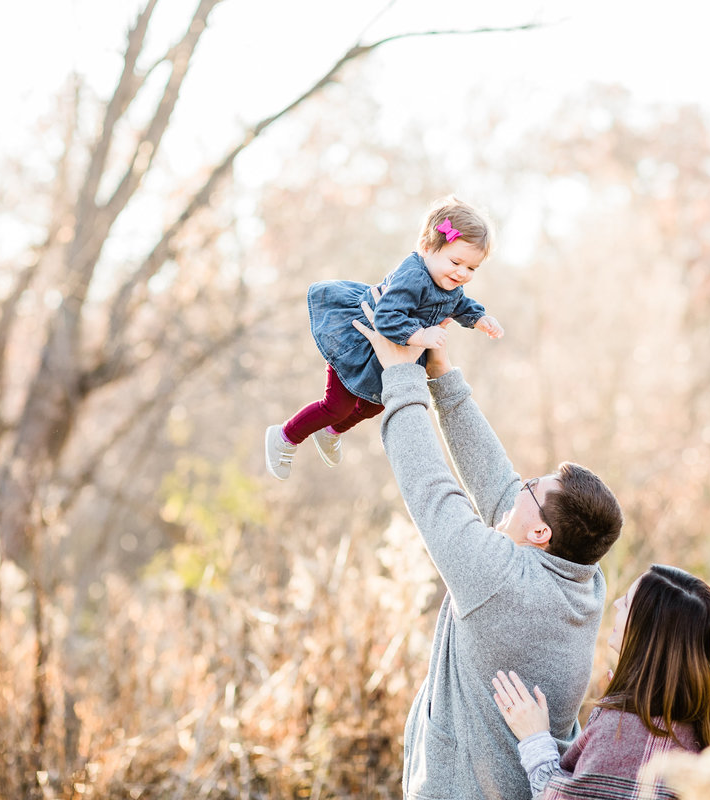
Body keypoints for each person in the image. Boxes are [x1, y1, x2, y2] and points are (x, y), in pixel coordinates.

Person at [350, 302, 624, 800]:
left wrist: (399, 377)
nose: (521, 484)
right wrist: (440, 373)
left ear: (541, 533)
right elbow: (499, 485)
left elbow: (431, 489)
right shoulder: (585, 578)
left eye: (533, 488)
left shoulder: (501, 583)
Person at [265, 195, 504, 480]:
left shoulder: (447, 281)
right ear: (427, 247)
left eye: (472, 268)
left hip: (384, 357)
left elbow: (460, 303)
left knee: (375, 404)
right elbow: (386, 317)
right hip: (358, 343)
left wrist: (479, 318)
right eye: (457, 262)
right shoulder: (413, 276)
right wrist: (420, 334)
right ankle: (284, 437)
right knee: (336, 406)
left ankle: (331, 432)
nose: (462, 273)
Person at [491, 565, 710, 800]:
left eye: (627, 602)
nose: (617, 604)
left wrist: (535, 740)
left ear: (646, 634)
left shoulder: (624, 728)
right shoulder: (709, 714)